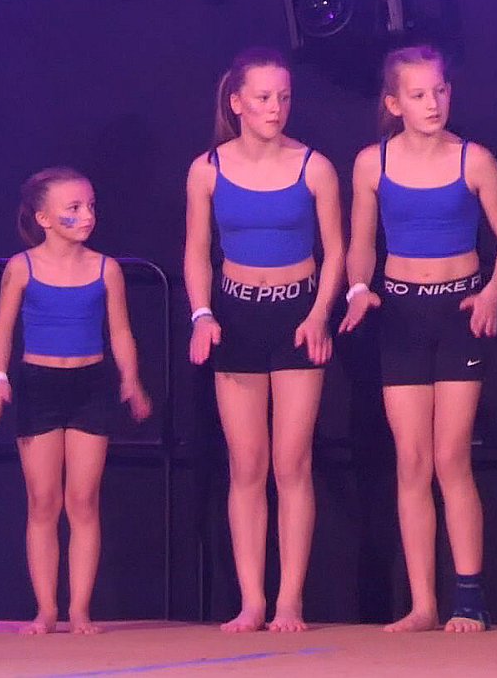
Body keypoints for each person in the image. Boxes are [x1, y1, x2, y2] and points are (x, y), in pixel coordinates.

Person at [339, 46, 497, 632]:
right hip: (401, 315)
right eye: (418, 95)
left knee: (450, 457)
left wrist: (492, 293)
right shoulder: (371, 163)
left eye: (439, 91)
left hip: (458, 313)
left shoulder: (474, 160)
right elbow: (361, 243)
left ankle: (468, 597)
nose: (433, 103)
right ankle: (422, 603)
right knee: (412, 461)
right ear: (394, 104)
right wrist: (358, 288)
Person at [184, 48, 342, 632]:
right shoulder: (207, 169)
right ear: (237, 102)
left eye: (284, 97)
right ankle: (252, 599)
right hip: (236, 316)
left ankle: (289, 599)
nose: (275, 107)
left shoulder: (314, 167)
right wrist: (202, 314)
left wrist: (320, 314)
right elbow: (197, 251)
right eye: (263, 97)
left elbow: (336, 251)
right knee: (246, 465)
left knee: (291, 463)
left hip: (297, 316)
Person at [0, 167, 151, 635]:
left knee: (83, 500)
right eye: (74, 208)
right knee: (43, 501)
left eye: (91, 206)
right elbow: (2, 328)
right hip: (38, 385)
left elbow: (120, 330)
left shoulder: (105, 268)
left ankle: (79, 608)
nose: (87, 215)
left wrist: (131, 380)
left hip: (90, 386)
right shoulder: (22, 267)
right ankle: (46, 609)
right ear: (43, 217)